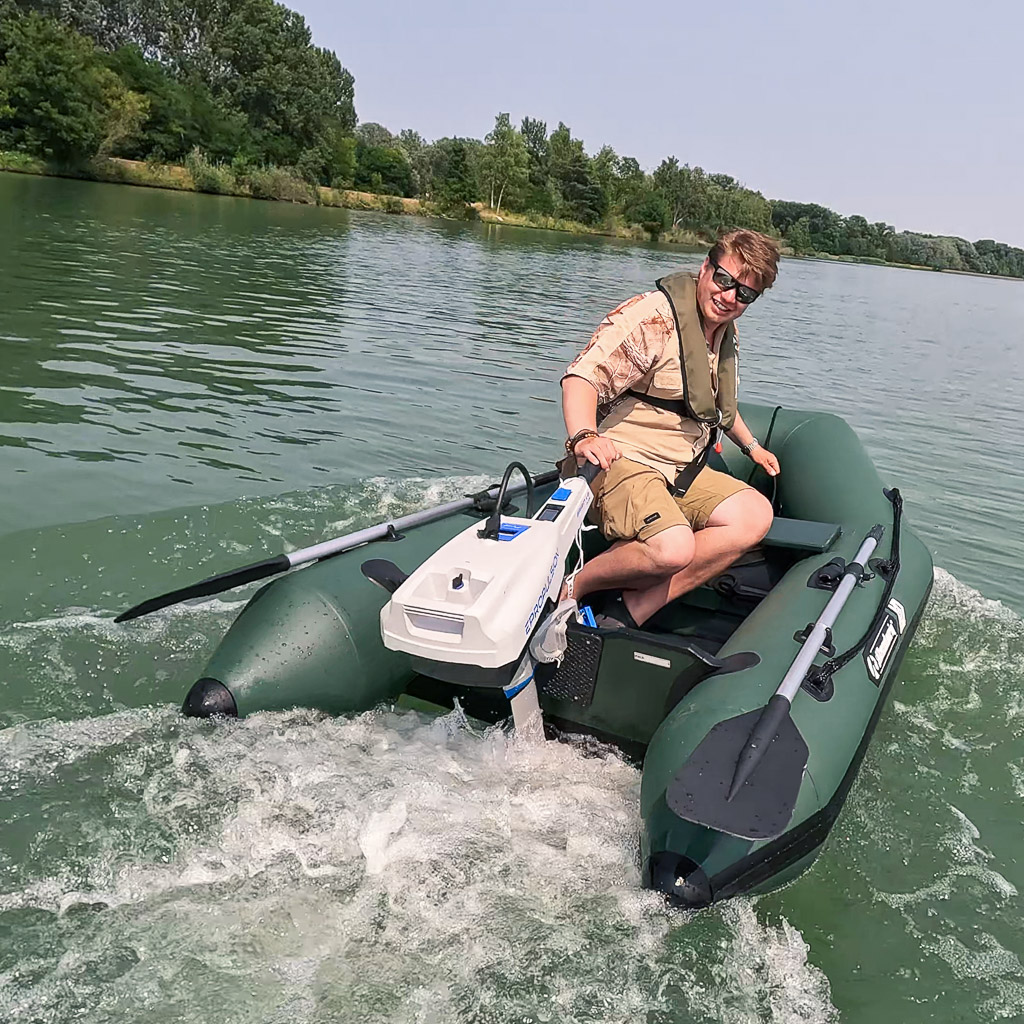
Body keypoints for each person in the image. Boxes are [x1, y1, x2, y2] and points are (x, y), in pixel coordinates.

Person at [560, 229, 781, 628]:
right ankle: (576, 586)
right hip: (620, 461)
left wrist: (752, 448)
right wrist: (584, 436)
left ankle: (632, 609)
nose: (730, 297)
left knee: (754, 515)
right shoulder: (653, 318)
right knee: (673, 548)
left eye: (745, 294)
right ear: (705, 268)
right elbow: (582, 377)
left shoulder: (722, 334)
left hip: (680, 470)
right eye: (724, 280)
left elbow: (718, 408)